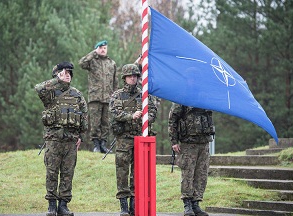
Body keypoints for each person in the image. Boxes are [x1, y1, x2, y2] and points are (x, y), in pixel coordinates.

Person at [35, 61, 88, 216]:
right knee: (52, 171)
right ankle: (52, 205)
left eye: (69, 73)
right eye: (64, 73)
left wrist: (81, 136)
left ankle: (63, 205)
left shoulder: (77, 94)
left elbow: (84, 116)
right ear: (57, 75)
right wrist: (56, 79)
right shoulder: (50, 93)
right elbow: (38, 88)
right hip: (54, 139)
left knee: (67, 173)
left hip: (71, 140)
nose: (67, 75)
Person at [109, 64, 157, 216]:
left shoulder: (144, 95)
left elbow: (153, 112)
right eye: (130, 76)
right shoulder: (117, 95)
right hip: (124, 139)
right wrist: (131, 116)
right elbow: (115, 113)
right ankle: (123, 205)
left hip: (140, 138)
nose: (133, 78)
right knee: (122, 171)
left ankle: (134, 205)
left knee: (138, 172)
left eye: (135, 76)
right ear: (124, 78)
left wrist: (144, 118)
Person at [168, 103, 215, 216]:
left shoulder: (205, 98)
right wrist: (174, 141)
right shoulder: (182, 98)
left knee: (201, 174)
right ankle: (187, 203)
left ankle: (196, 203)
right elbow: (172, 120)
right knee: (188, 174)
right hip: (188, 143)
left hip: (204, 142)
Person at [79, 40, 118, 153]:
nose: (103, 50)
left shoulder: (111, 63)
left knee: (106, 123)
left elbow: (115, 81)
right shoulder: (92, 61)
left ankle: (103, 144)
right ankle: (96, 144)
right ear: (97, 49)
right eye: (100, 48)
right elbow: (82, 63)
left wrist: (115, 97)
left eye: (104, 48)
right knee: (95, 122)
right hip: (95, 97)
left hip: (108, 98)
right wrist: (93, 53)